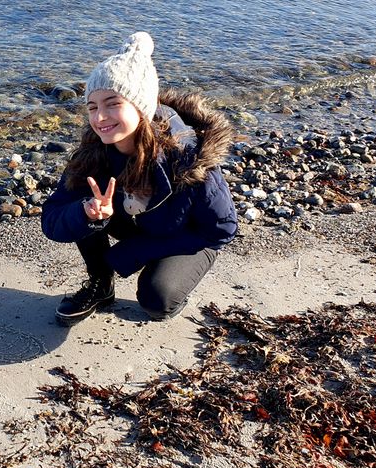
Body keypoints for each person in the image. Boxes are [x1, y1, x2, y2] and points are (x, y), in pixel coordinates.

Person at [41, 32, 237, 325]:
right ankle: (101, 284)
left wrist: (134, 252)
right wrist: (87, 213)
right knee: (88, 207)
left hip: (186, 235)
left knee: (158, 302)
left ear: (141, 106)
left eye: (112, 103)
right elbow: (52, 219)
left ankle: (169, 273)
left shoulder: (188, 156)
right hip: (138, 223)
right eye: (92, 107)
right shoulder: (93, 152)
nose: (100, 118)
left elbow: (222, 228)